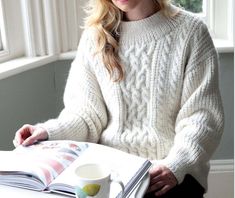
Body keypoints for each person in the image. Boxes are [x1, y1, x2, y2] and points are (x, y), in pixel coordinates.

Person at [13, 0, 224, 197]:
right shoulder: (95, 36)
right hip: (111, 171)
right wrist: (48, 132)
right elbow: (85, 115)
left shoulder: (192, 32)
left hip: (167, 172)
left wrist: (176, 164)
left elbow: (201, 117)